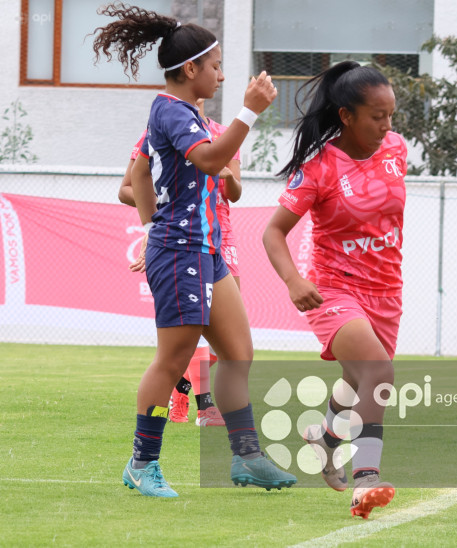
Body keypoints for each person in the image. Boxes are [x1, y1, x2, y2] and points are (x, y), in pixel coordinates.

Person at [92, 3, 296, 497]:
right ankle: (142, 464)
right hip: (181, 252)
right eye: (216, 65)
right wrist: (250, 112)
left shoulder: (189, 114)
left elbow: (143, 172)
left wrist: (150, 223)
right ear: (190, 69)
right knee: (172, 360)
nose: (222, 76)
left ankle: (246, 456)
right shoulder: (169, 109)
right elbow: (203, 161)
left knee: (239, 353)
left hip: (206, 250)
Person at [263, 61, 405, 519]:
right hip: (333, 290)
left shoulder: (396, 149)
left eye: (390, 115)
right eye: (376, 116)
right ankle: (366, 478)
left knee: (355, 378)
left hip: (387, 290)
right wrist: (293, 280)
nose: (386, 126)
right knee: (378, 375)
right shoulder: (319, 168)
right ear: (346, 116)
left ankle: (325, 441)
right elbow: (273, 233)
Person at [118, 98, 242, 427]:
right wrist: (163, 210)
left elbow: (235, 193)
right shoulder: (159, 128)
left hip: (221, 237)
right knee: (184, 340)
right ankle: (203, 407)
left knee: (233, 340)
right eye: (212, 67)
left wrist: (227, 176)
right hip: (183, 239)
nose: (218, 76)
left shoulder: (222, 133)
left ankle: (183, 387)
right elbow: (128, 188)